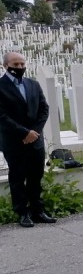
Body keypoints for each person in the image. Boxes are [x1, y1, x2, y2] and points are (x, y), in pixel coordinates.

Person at [0, 51, 56, 228]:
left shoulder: (33, 84)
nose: (20, 68)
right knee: (17, 177)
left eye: (22, 64)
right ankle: (22, 212)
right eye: (15, 65)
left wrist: (34, 132)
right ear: (5, 66)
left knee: (35, 176)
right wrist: (24, 133)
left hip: (35, 140)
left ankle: (38, 211)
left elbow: (43, 109)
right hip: (13, 140)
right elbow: (2, 116)